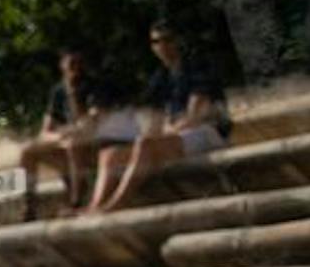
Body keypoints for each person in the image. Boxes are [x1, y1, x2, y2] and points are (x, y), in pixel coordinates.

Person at [86, 21, 232, 214]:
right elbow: (153, 120)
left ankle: (116, 204)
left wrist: (161, 133)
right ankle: (93, 207)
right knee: (109, 155)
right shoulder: (160, 77)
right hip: (178, 136)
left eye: (167, 40)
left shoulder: (198, 68)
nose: (162, 46)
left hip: (209, 132)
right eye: (156, 41)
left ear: (178, 41)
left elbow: (195, 116)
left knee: (146, 144)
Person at [17, 48, 131, 218]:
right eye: (70, 64)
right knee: (27, 151)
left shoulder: (94, 87)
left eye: (78, 64)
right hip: (67, 141)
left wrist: (74, 98)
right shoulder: (58, 91)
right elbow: (46, 131)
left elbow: (90, 124)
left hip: (92, 145)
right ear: (62, 65)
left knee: (74, 145)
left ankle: (76, 200)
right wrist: (60, 136)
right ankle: (29, 204)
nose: (74, 69)